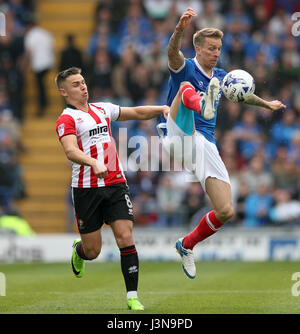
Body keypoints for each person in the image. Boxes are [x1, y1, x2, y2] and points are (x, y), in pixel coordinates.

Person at [156, 8, 286, 279]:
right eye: (211, 48)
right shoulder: (186, 66)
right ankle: (202, 104)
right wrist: (179, 29)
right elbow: (171, 54)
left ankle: (187, 244)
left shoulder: (223, 76)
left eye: (219, 48)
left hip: (203, 145)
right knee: (185, 88)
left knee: (226, 210)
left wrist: (266, 104)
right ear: (198, 48)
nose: (216, 53)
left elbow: (243, 94)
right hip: (177, 131)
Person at [55, 67, 169, 310]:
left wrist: (161, 109)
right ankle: (80, 251)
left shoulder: (102, 108)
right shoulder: (67, 119)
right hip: (87, 188)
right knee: (93, 250)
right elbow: (70, 150)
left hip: (115, 183)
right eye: (75, 84)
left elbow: (136, 112)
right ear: (64, 92)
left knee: (125, 236)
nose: (83, 86)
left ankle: (132, 296)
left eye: (83, 82)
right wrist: (93, 161)